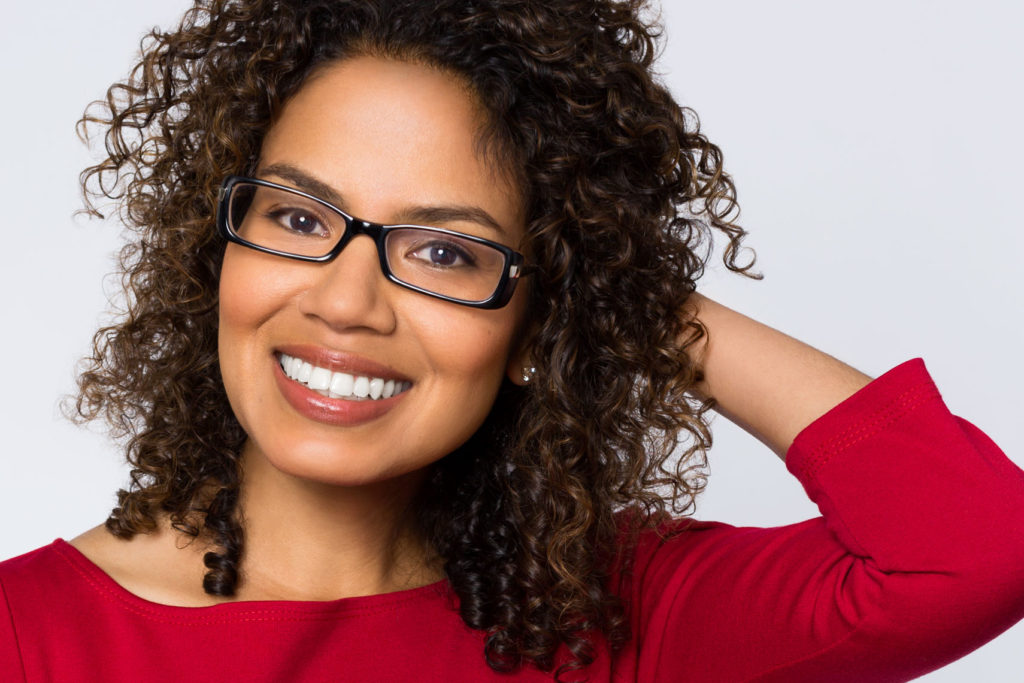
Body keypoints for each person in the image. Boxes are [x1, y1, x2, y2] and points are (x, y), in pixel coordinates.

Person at [1, 0, 1022, 681]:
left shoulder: (616, 614)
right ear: (218, 252)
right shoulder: (28, 636)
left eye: (446, 253)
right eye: (300, 220)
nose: (347, 300)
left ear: (539, 317)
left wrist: (616, 292)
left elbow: (972, 552)